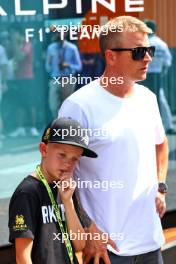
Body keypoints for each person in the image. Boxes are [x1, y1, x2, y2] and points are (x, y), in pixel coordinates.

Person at [58, 16, 169, 264]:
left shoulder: (147, 99)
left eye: (148, 50)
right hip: (106, 249)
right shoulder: (79, 106)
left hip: (150, 243)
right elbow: (58, 175)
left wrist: (161, 186)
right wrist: (87, 227)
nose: (148, 58)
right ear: (111, 57)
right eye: (139, 52)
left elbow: (160, 144)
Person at [8, 117, 97, 264]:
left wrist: (68, 203)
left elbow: (80, 245)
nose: (68, 163)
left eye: (75, 159)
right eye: (62, 155)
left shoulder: (66, 187)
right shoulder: (27, 193)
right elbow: (22, 258)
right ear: (43, 149)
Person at [142, 19, 176, 134]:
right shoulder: (162, 44)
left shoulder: (145, 43)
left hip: (146, 76)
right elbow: (168, 62)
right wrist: (162, 72)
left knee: (146, 100)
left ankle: (150, 127)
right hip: (158, 74)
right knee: (160, 99)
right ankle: (168, 125)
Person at [45, 31, 82, 118]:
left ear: (65, 34)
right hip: (55, 79)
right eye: (56, 33)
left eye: (60, 33)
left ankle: (67, 126)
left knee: (67, 106)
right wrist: (50, 62)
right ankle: (57, 124)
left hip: (68, 79)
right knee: (53, 105)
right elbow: (47, 67)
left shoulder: (72, 48)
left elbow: (79, 66)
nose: (58, 35)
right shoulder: (51, 48)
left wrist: (68, 65)